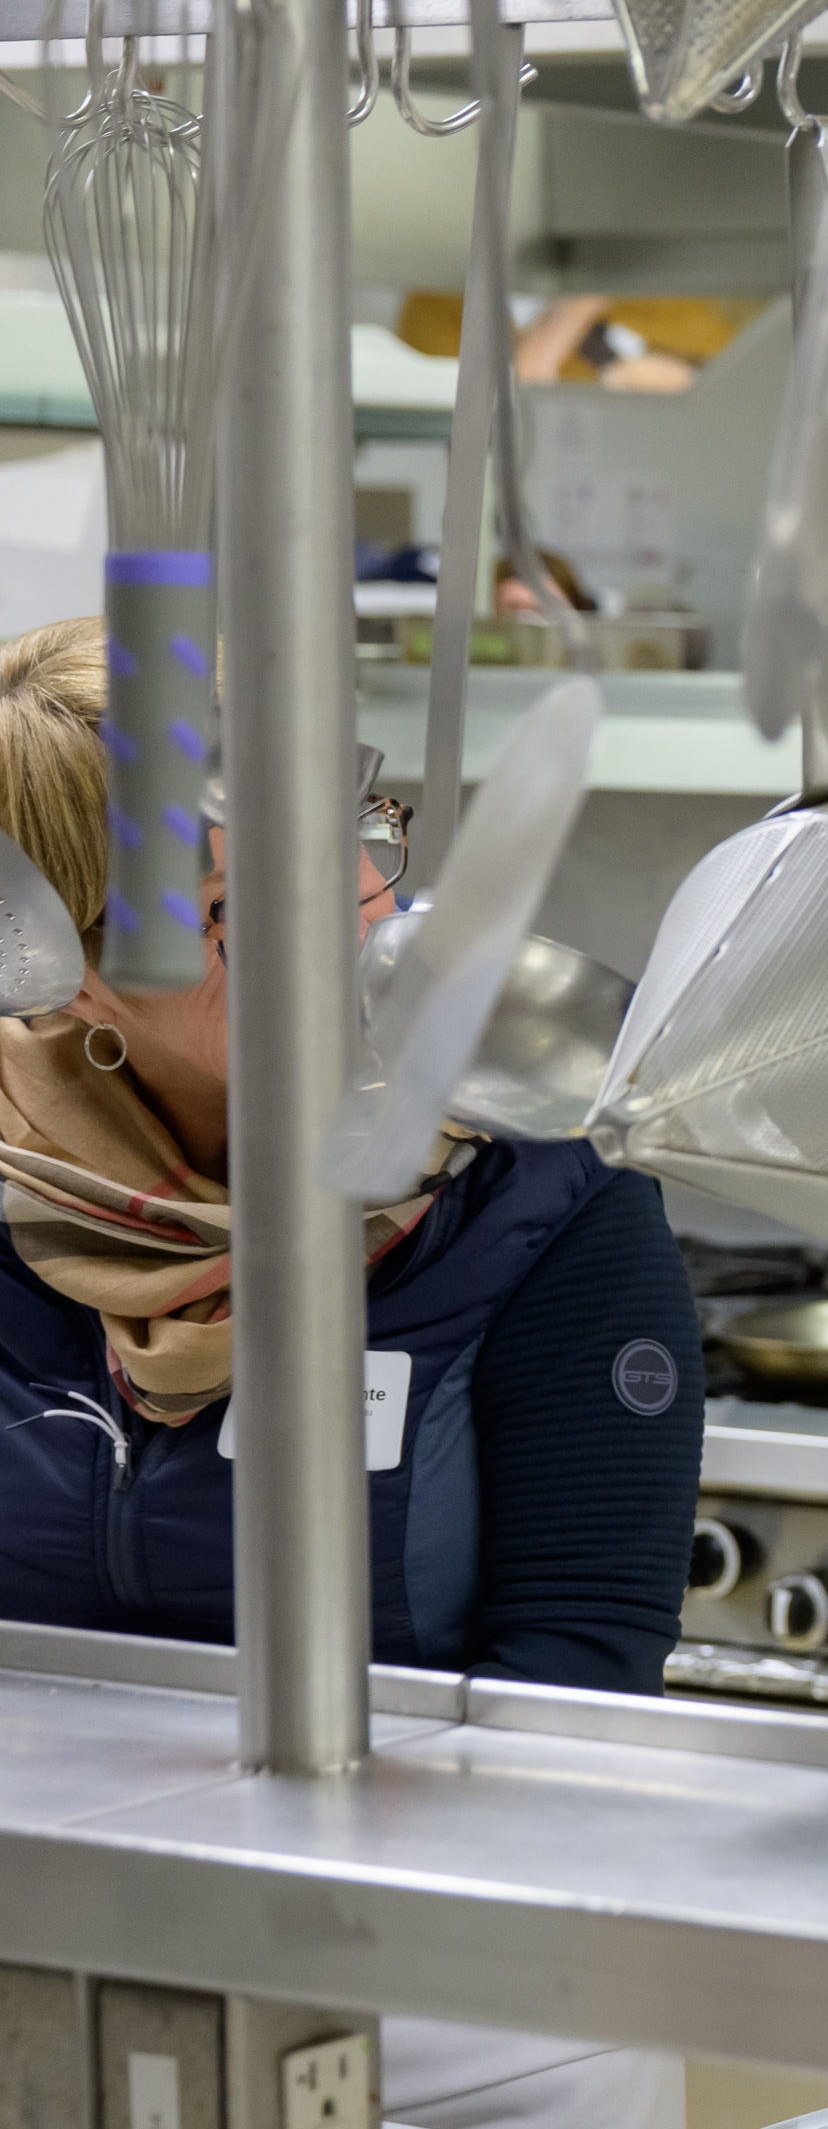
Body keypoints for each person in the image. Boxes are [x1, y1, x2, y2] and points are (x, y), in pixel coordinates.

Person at [0, 616, 704, 1691]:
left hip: (391, 1840)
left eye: (351, 850)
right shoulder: (17, 1174)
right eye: (234, 909)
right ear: (67, 971)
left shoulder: (537, 1181)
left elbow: (581, 1661)